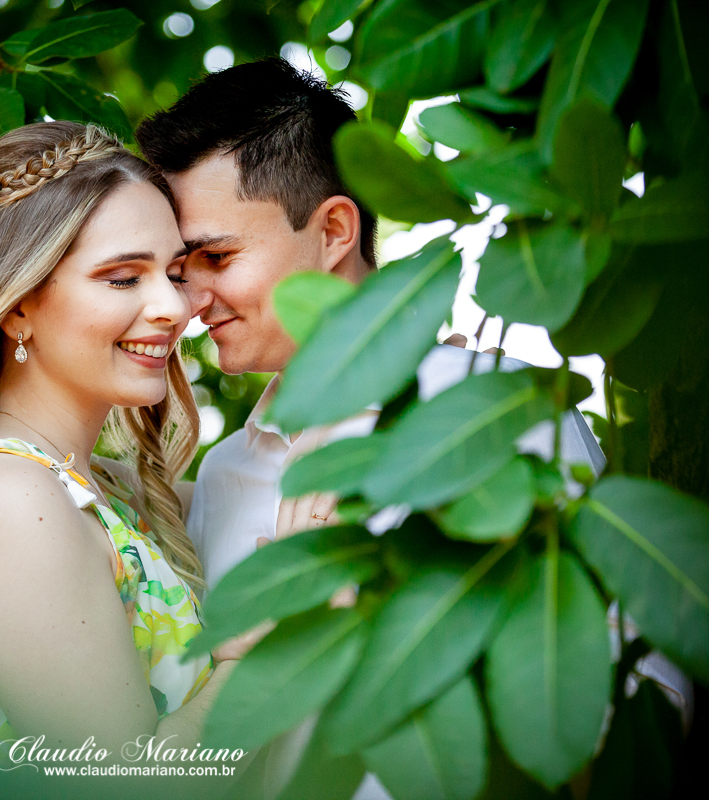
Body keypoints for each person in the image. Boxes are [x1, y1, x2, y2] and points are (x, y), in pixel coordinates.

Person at [136, 58, 608, 798]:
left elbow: (621, 700)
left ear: (332, 231)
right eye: (180, 269)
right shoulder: (223, 478)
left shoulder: (494, 407)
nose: (189, 301)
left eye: (216, 257)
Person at [0, 121, 264, 786]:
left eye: (174, 272)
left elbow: (269, 494)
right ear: (18, 308)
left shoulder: (110, 493)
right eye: (122, 278)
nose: (173, 306)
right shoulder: (4, 503)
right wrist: (260, 663)